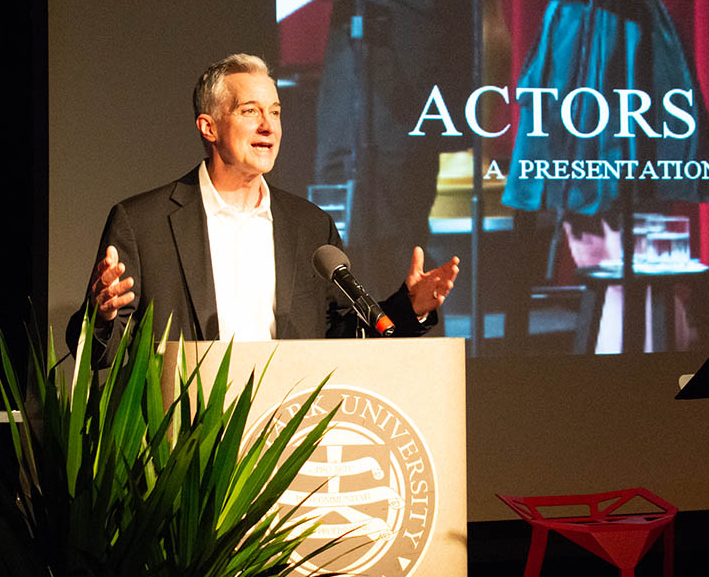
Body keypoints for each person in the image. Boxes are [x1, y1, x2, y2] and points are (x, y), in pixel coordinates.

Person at [455, 0, 709, 351]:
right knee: (585, 231)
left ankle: (643, 369)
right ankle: (620, 357)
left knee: (624, 236)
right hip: (570, 35)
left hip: (619, 42)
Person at [67, 54, 459, 368]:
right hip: (185, 450)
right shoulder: (142, 224)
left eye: (274, 111)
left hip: (285, 438)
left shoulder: (309, 227)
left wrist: (409, 307)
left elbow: (344, 340)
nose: (268, 126)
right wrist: (100, 317)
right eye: (250, 111)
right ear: (209, 127)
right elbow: (101, 355)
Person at [274, 0, 471, 295]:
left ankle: (415, 364)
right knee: (345, 257)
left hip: (398, 99)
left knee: (397, 258)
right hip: (350, 92)